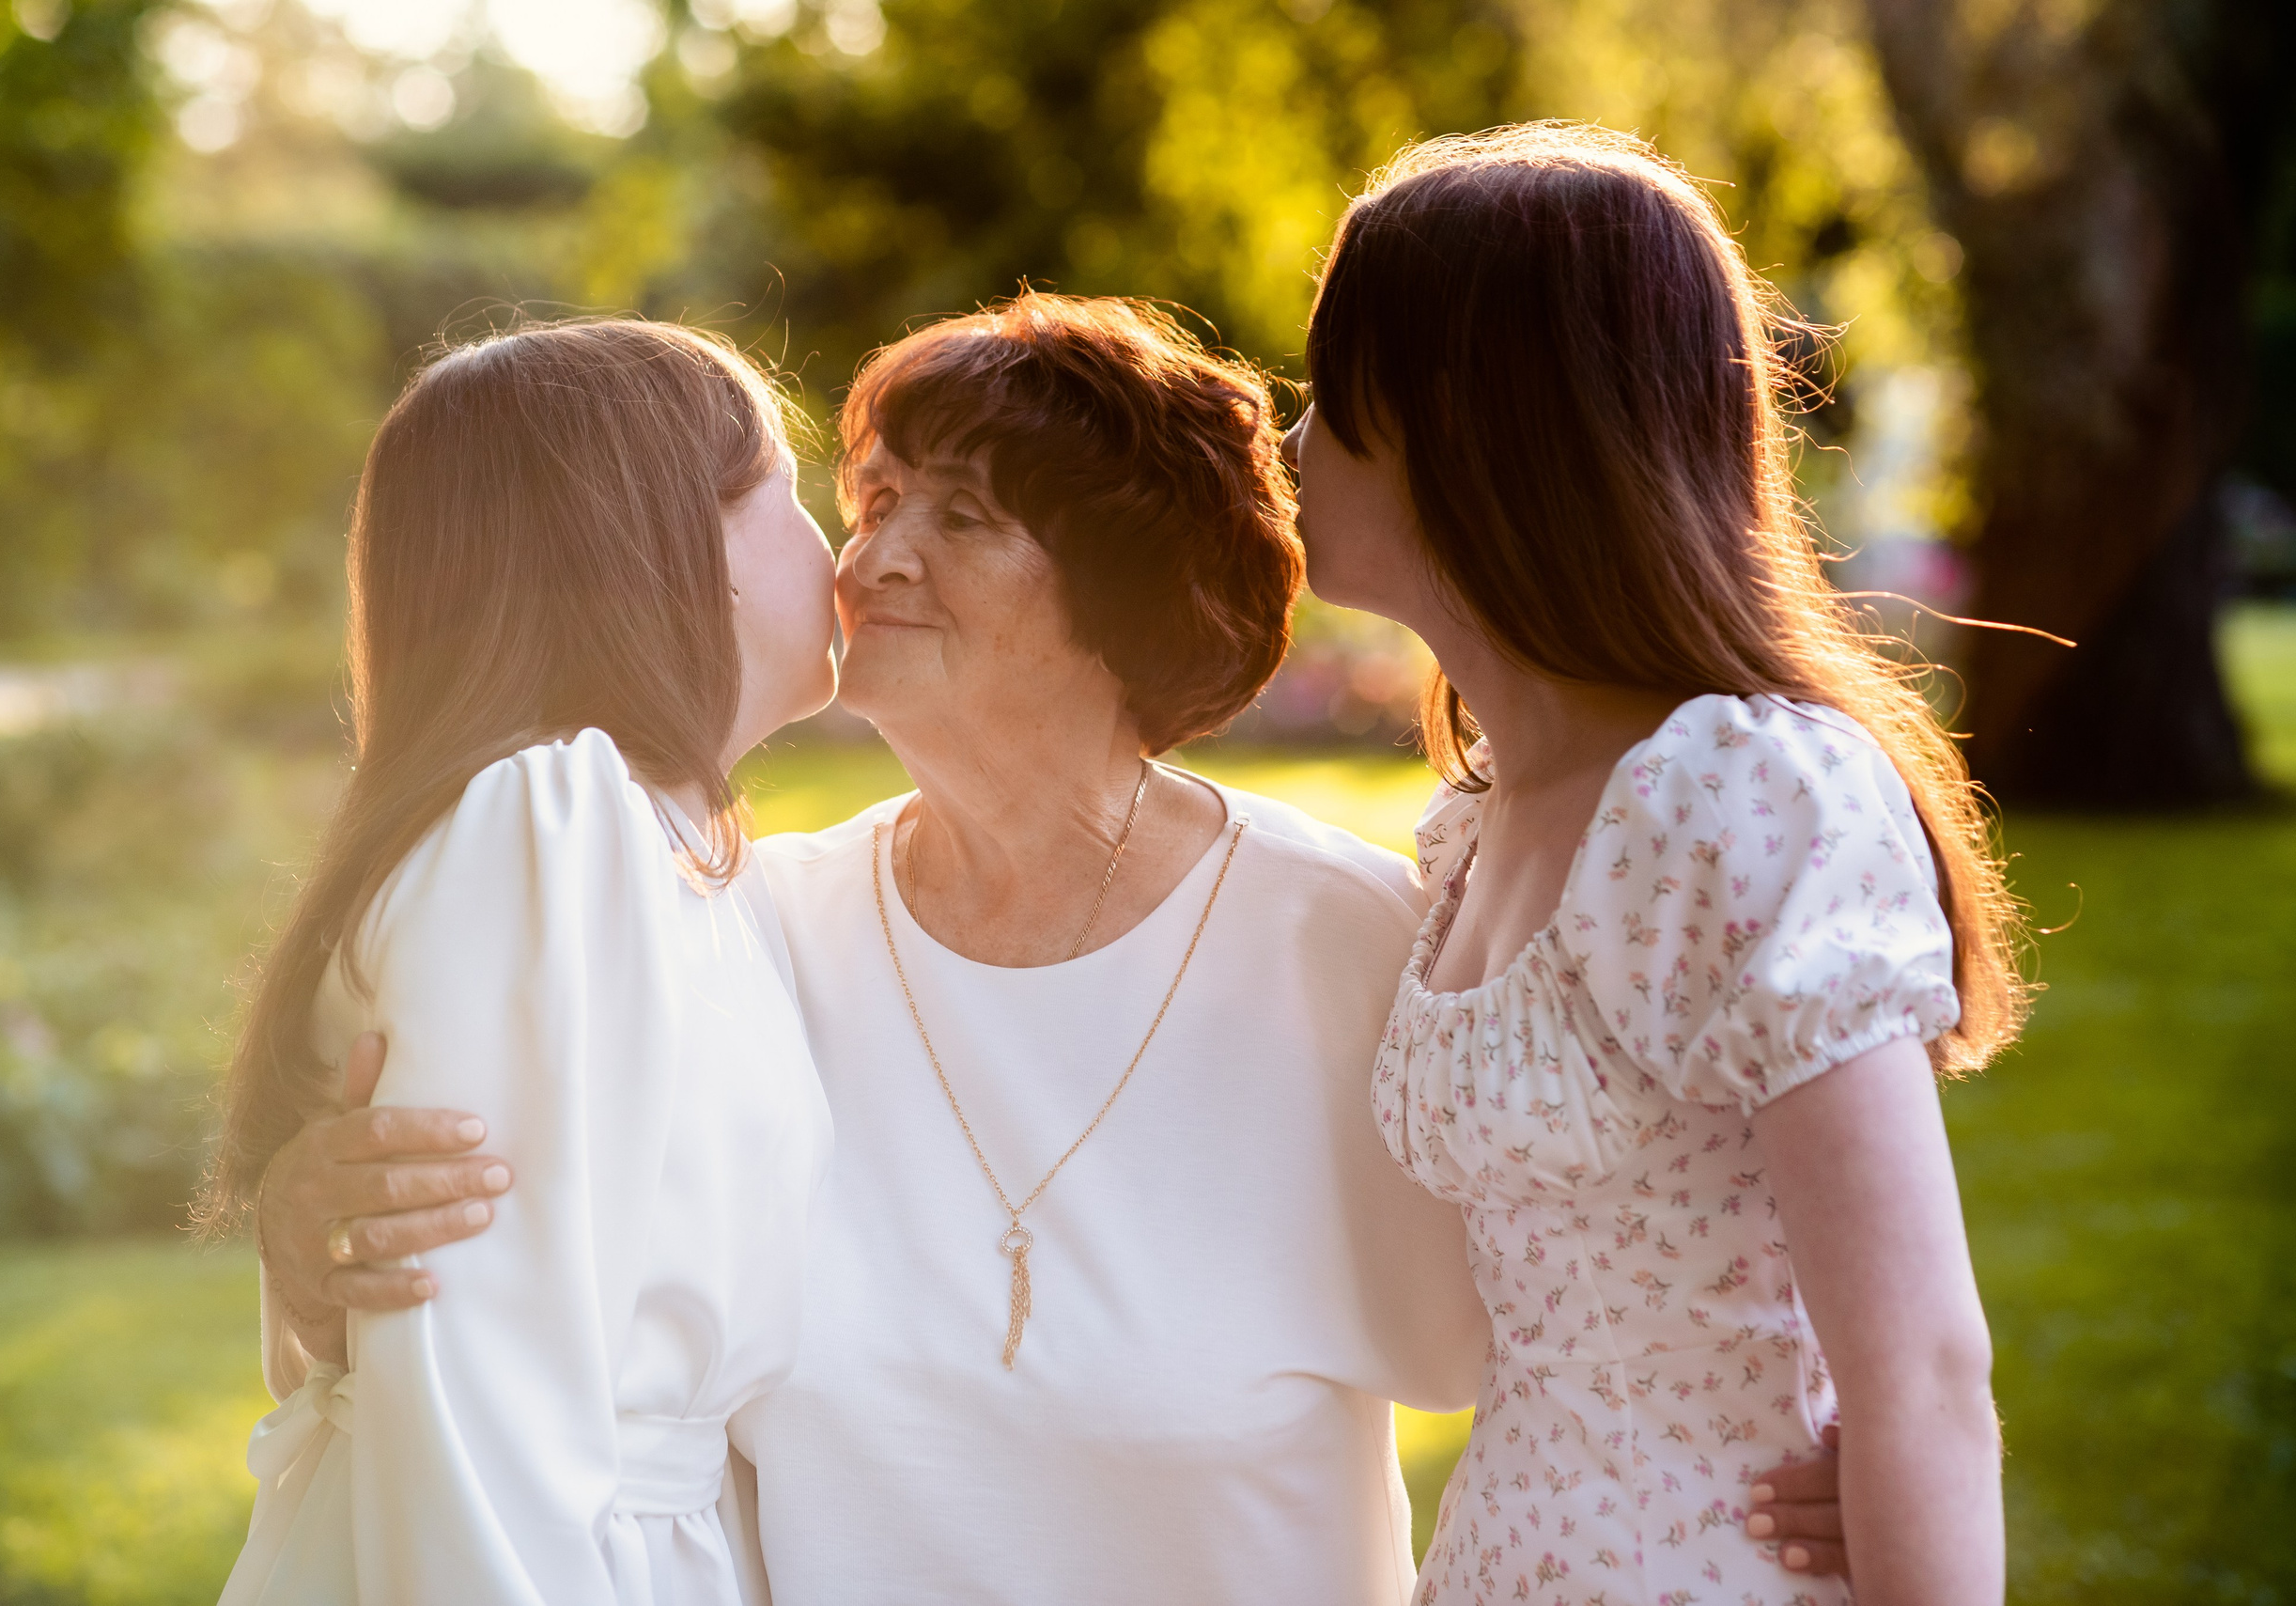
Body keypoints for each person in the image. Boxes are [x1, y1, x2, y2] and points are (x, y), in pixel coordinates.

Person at [251, 293, 1850, 1602]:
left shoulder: (1344, 942)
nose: (870, 553)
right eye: (863, 499)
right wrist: (315, 1253)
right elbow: (531, 1293)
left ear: (1122, 590)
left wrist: (1827, 1445)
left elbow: (1606, 1296)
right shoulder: (743, 928)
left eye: (962, 514)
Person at [1287, 123, 2012, 1604]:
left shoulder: (1735, 794)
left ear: (1462, 414)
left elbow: (1923, 1367)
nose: (1289, 441)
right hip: (1503, 1556)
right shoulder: (1477, 815)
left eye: (1326, 395)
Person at [207, 320, 839, 1604]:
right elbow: (474, 1396)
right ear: (662, 540)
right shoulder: (549, 828)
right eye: (788, 488)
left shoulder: (686, 856)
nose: (843, 549)